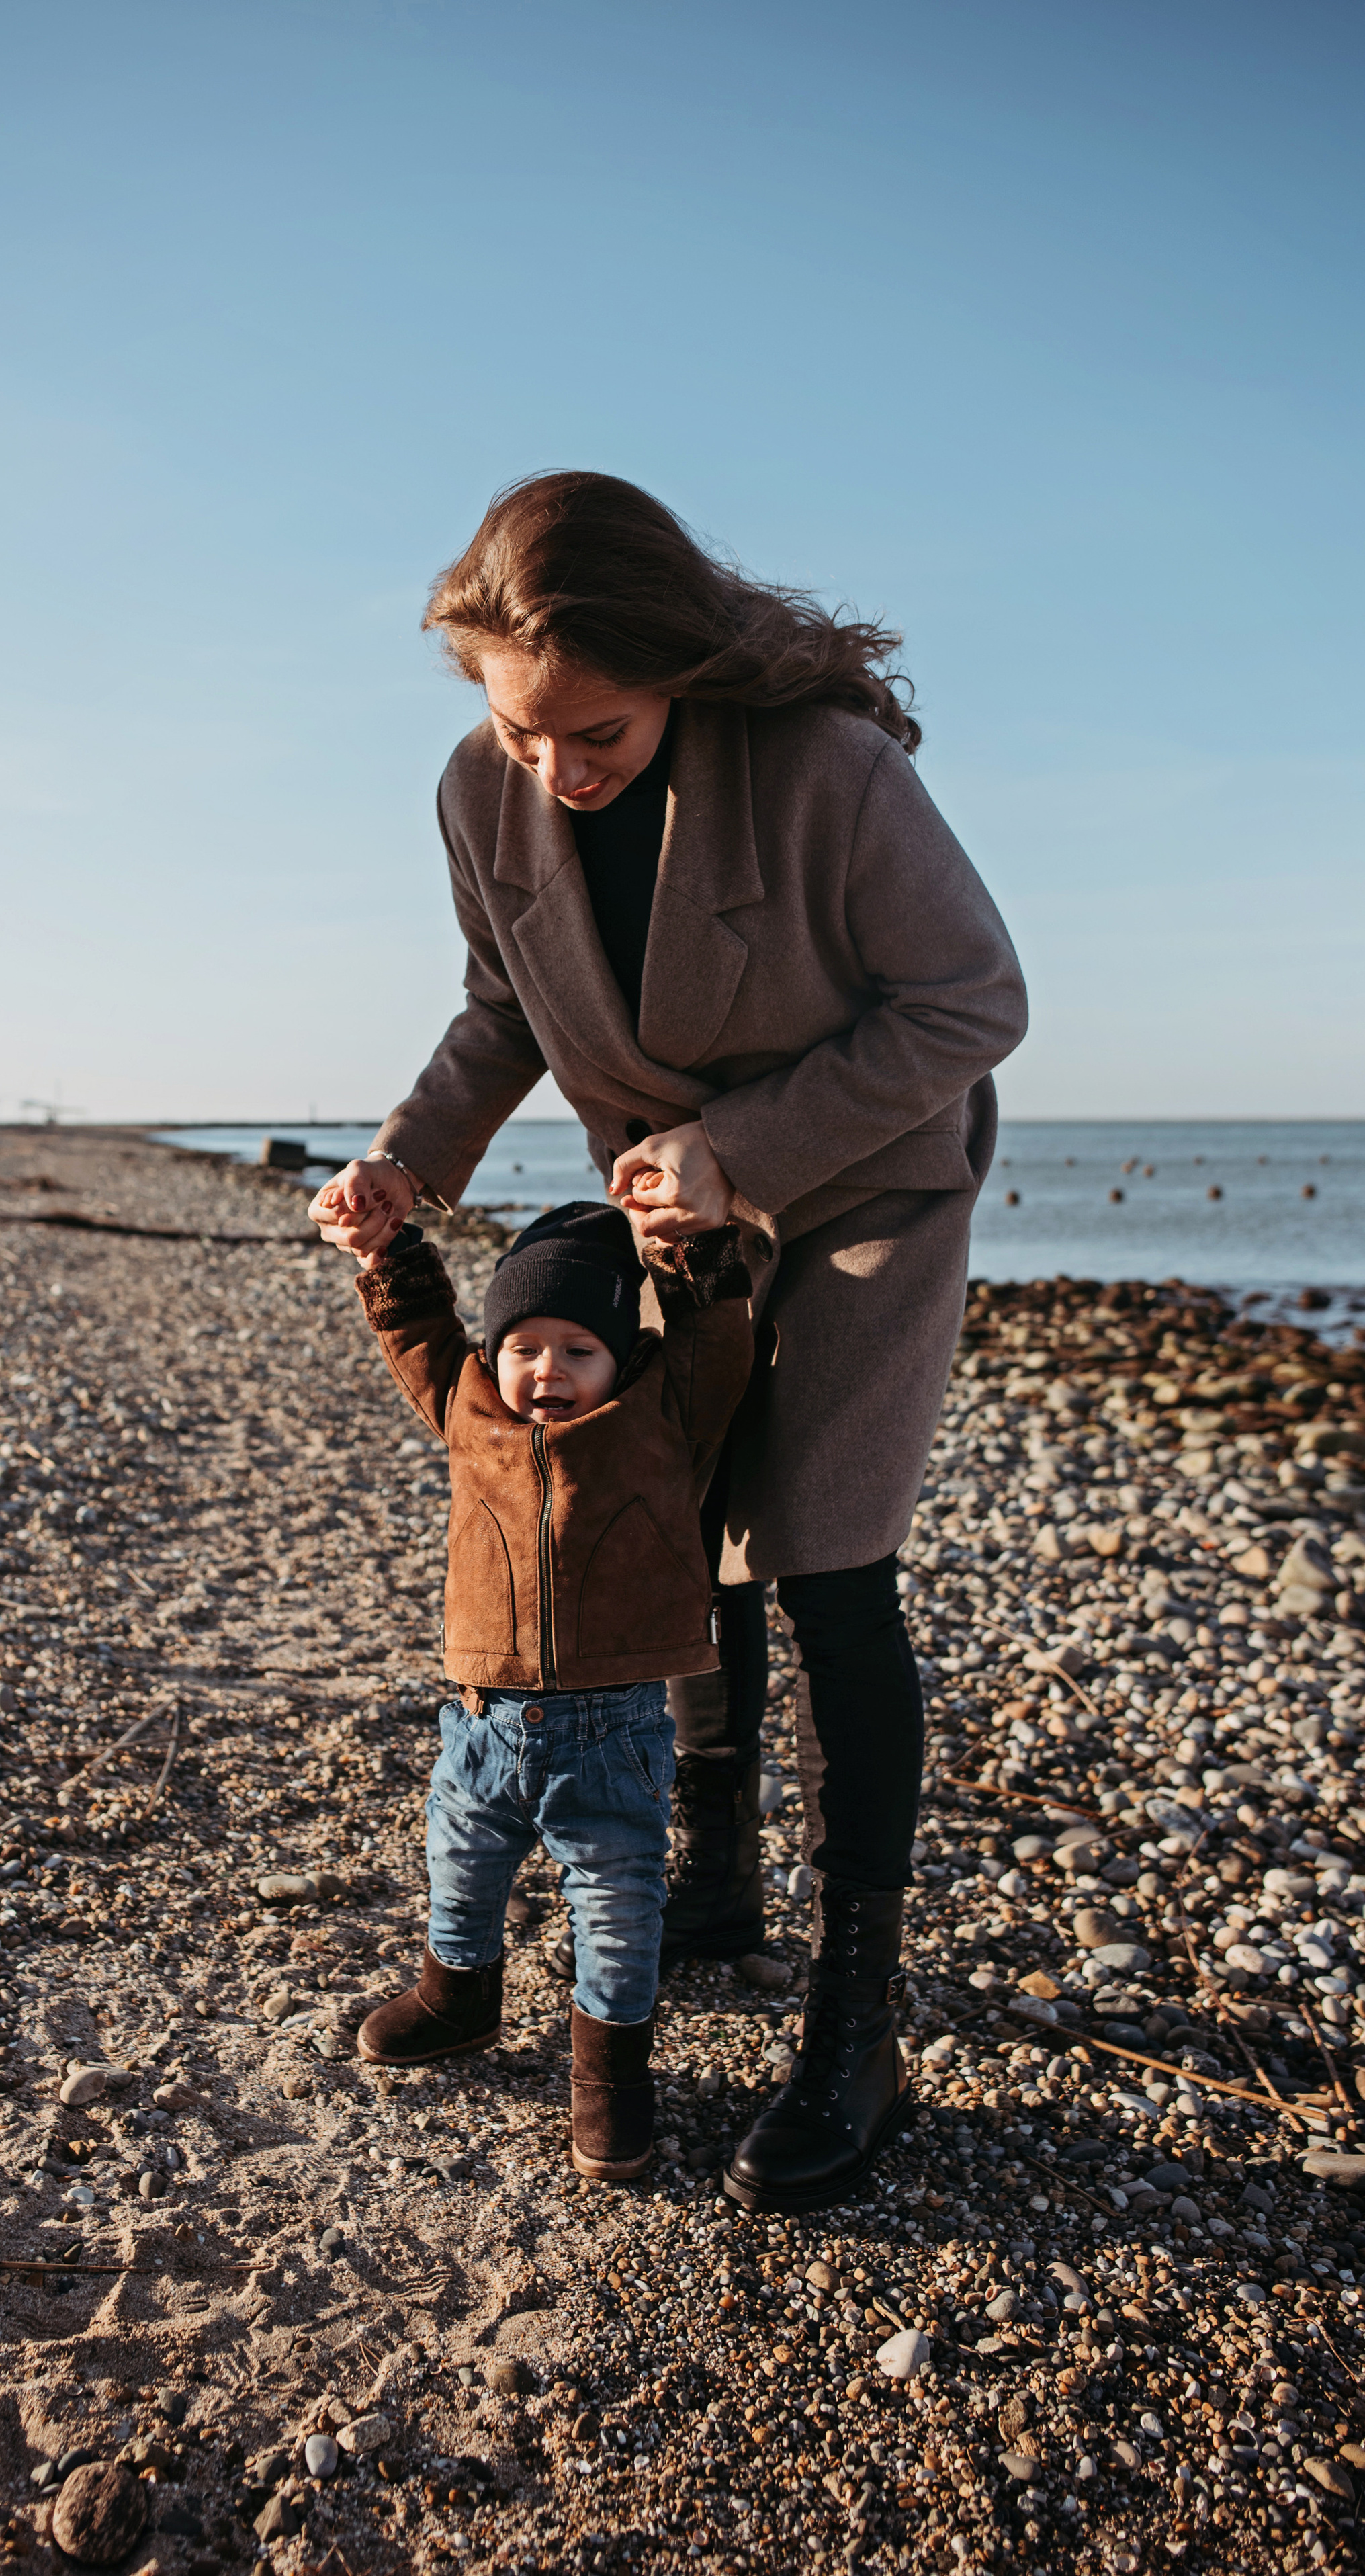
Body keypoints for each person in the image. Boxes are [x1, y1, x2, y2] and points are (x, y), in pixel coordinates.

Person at [312, 470, 1028, 2215]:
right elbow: (504, 1012)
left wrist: (745, 1146)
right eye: (516, 726)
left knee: (825, 1561)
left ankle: (855, 2011)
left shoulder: (831, 775)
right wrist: (412, 1164)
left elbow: (973, 1001)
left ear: (679, 669)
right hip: (670, 1210)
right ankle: (715, 1871)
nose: (553, 765)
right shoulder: (483, 786)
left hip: (863, 1185)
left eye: (595, 729)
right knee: (676, 1520)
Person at [337, 1199, 753, 2180]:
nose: (548, 1370)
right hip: (481, 1722)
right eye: (524, 1346)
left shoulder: (662, 1411)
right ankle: (458, 1997)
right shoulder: (469, 1407)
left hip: (613, 1734)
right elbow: (417, 1330)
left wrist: (686, 1246)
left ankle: (611, 2080)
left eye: (578, 1348)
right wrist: (384, 1249)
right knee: (460, 1861)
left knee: (617, 1903)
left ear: (623, 1356)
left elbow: (714, 1335)